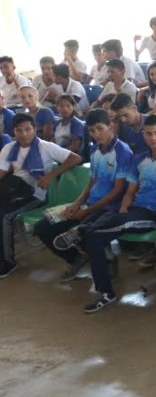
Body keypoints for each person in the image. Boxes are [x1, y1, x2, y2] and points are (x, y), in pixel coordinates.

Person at [79, 116, 156, 312]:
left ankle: (105, 292)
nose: (152, 138)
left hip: (151, 216)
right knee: (93, 236)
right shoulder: (139, 159)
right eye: (148, 133)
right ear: (143, 135)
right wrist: (124, 208)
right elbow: (131, 191)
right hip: (131, 213)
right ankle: (105, 291)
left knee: (91, 232)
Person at [35, 109, 134, 281]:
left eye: (100, 128)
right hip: (90, 204)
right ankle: (76, 258)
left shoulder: (122, 152)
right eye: (92, 131)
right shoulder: (95, 149)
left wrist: (86, 211)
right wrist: (77, 203)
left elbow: (117, 191)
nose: (96, 134)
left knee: (85, 228)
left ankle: (108, 259)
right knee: (42, 228)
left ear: (110, 126)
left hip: (111, 207)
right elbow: (92, 181)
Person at [0, 113, 83, 278]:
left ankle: (7, 263)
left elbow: (75, 158)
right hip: (16, 190)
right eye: (19, 130)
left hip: (37, 194)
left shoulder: (46, 146)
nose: (24, 134)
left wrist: (51, 175)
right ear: (13, 131)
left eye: (27, 129)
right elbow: (2, 172)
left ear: (34, 129)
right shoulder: (9, 148)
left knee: (4, 216)